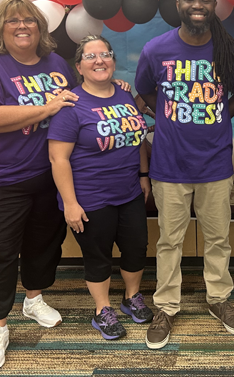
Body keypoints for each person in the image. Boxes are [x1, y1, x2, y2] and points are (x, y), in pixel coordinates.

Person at [0, 0, 78, 372]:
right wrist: (46, 108)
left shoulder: (56, 64)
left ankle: (34, 298)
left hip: (44, 176)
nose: (22, 26)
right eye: (13, 21)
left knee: (44, 244)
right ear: (0, 29)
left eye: (29, 20)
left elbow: (74, 101)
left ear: (41, 27)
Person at [135, 0, 234, 349]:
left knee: (218, 238)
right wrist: (166, 114)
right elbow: (145, 91)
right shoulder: (156, 49)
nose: (197, 5)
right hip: (170, 164)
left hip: (215, 163)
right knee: (170, 240)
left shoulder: (228, 50)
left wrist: (221, 114)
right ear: (178, 4)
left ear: (213, 4)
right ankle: (166, 307)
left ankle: (219, 299)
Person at [48, 35, 152, 340]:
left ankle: (132, 297)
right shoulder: (71, 105)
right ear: (79, 66)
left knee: (136, 249)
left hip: (130, 192)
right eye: (91, 57)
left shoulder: (124, 96)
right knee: (98, 256)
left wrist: (144, 176)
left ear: (113, 63)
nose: (99, 61)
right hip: (90, 198)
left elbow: (138, 139)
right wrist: (69, 203)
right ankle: (102, 309)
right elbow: (58, 159)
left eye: (105, 54)